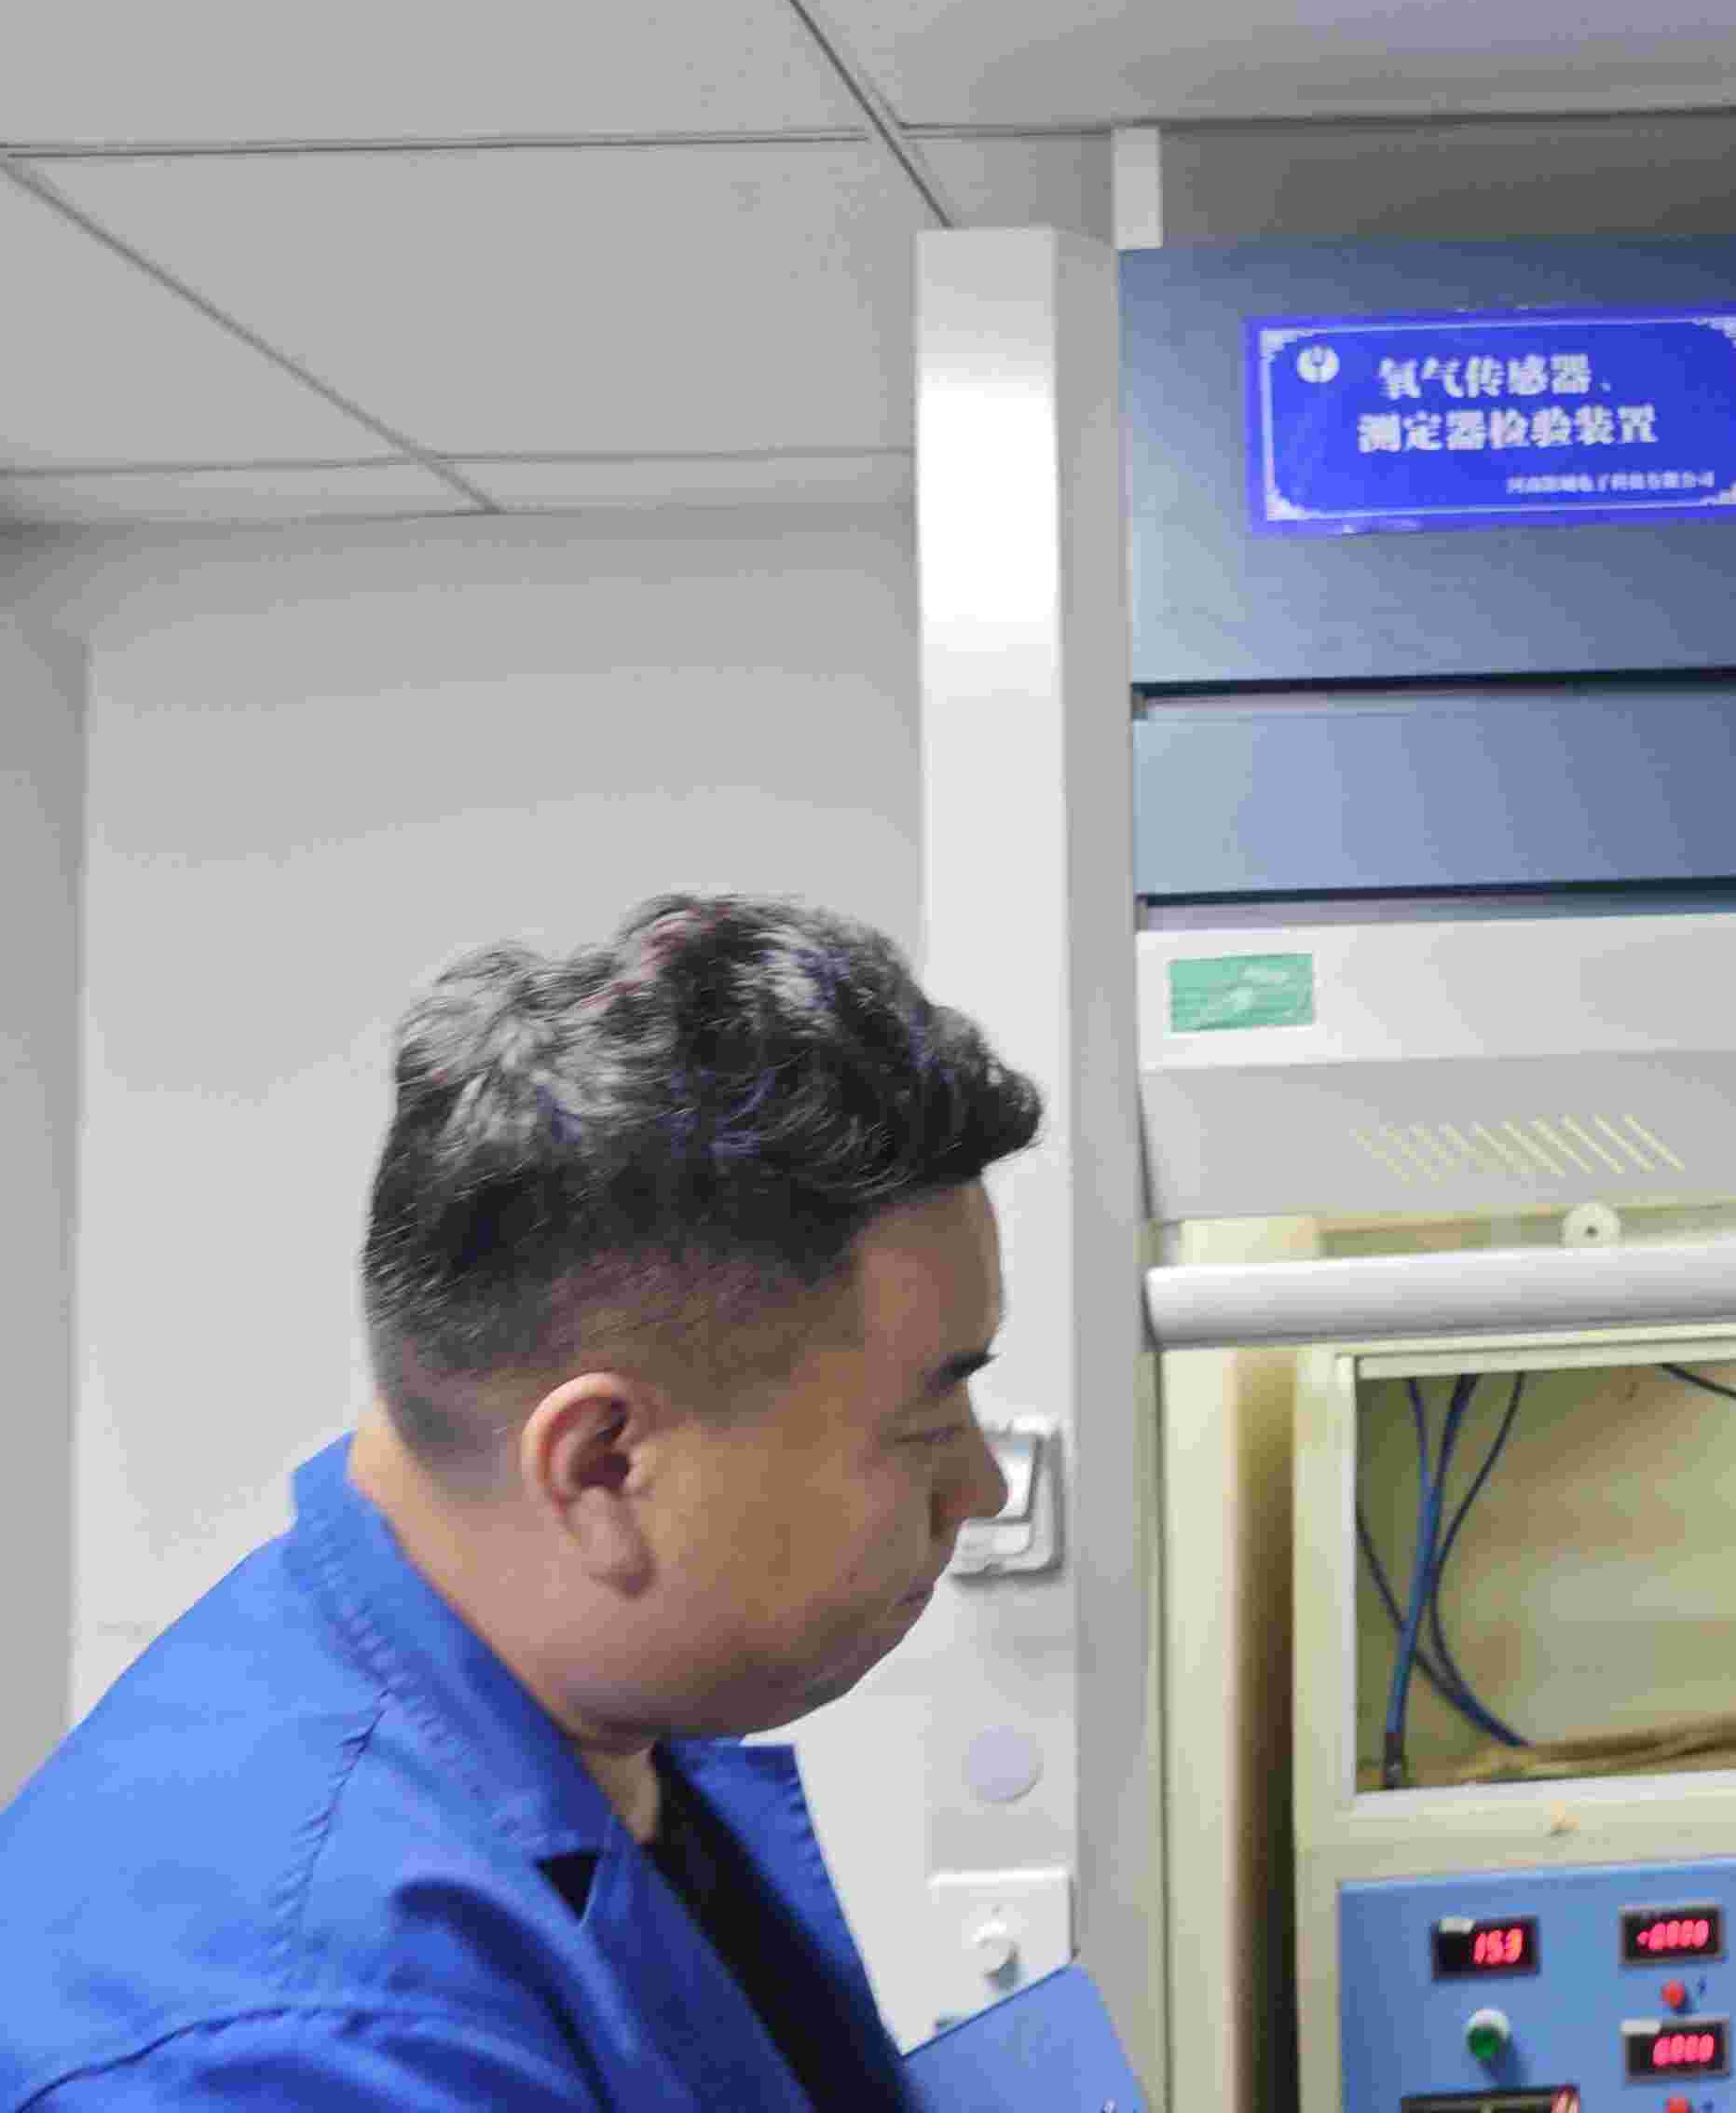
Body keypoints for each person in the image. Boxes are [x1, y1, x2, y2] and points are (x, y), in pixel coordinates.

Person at [0, 895, 1040, 2110]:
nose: (979, 1488)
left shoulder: (599, 1741)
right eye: (925, 1422)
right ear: (601, 1465)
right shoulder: (300, 2035)